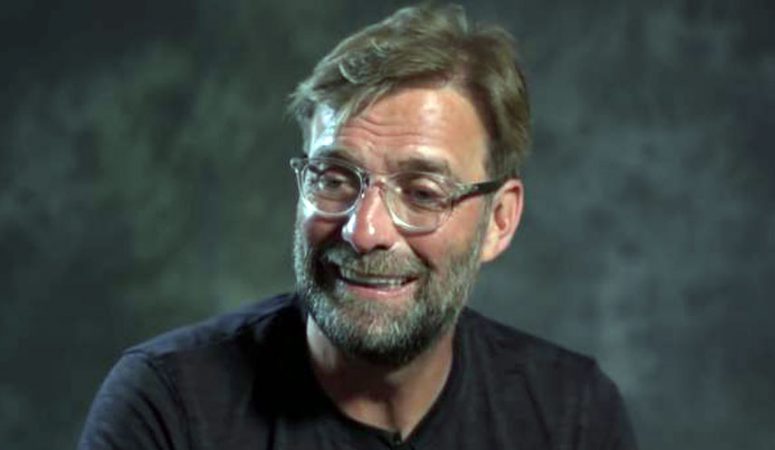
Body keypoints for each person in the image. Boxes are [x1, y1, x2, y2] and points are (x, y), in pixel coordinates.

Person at [79, 4, 637, 449]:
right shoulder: (170, 409)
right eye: (334, 179)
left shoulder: (572, 417)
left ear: (499, 220)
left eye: (423, 193)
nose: (364, 231)